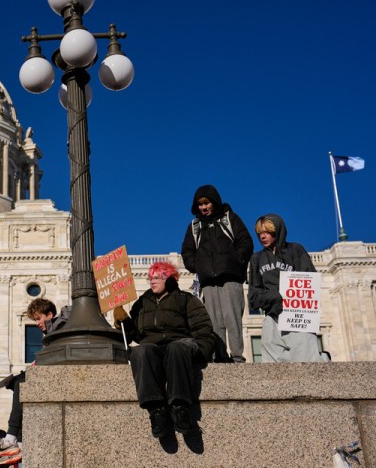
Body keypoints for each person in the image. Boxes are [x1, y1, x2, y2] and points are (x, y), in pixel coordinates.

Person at [114, 261, 215, 438]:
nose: (152, 281)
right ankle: (156, 411)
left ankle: (180, 408)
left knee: (176, 348)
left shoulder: (186, 299)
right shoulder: (142, 303)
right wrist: (122, 321)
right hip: (153, 347)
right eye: (150, 278)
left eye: (157, 278)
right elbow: (135, 334)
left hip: (180, 343)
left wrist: (202, 353)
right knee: (140, 351)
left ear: (169, 280)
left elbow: (203, 329)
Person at [0, 298, 70, 466]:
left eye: (38, 318)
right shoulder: (52, 332)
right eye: (35, 320)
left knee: (20, 384)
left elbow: (56, 355)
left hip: (61, 376)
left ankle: (11, 438)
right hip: (52, 374)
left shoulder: (58, 329)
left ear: (49, 314)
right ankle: (19, 444)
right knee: (20, 386)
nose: (37, 323)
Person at [181, 185, 254, 362]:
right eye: (200, 205)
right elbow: (187, 250)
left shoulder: (230, 218)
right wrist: (197, 266)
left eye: (206, 203)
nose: (204, 208)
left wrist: (235, 261)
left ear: (214, 202)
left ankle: (237, 357)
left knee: (232, 319)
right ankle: (220, 357)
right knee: (214, 322)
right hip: (208, 281)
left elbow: (246, 242)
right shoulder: (194, 226)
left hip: (230, 277)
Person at [248, 214, 330, 363]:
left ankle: (322, 359)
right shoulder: (257, 258)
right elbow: (254, 295)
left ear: (277, 231)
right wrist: (275, 296)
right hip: (272, 314)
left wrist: (288, 296)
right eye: (260, 233)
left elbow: (309, 281)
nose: (262, 236)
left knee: (304, 358)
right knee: (272, 362)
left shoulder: (295, 250)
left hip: (296, 313)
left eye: (267, 232)